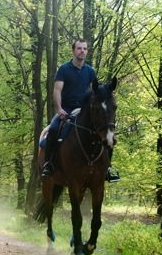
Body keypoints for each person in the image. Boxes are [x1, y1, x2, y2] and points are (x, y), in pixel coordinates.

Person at [41, 38, 119, 182]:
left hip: (84, 110)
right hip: (66, 110)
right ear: (73, 50)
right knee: (53, 129)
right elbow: (57, 91)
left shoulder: (90, 71)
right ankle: (48, 165)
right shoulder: (64, 69)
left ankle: (108, 168)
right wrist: (59, 109)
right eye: (79, 48)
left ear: (87, 51)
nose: (82, 51)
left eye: (84, 48)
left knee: (107, 134)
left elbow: (96, 91)